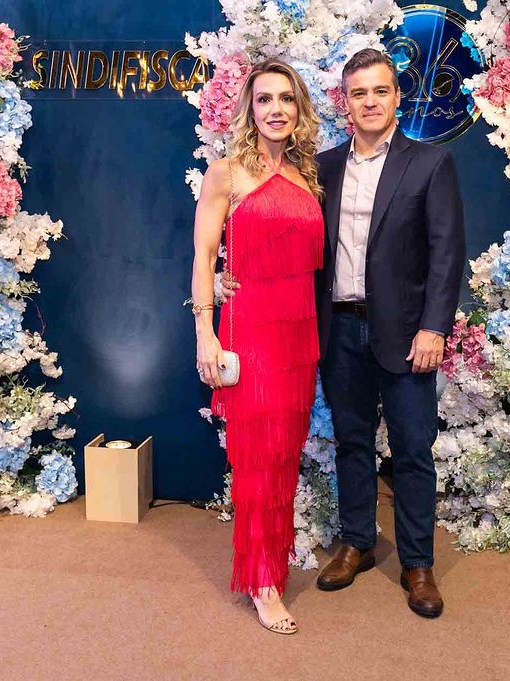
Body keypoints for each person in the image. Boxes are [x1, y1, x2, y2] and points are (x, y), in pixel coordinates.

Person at [312, 48, 465, 618]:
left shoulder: (430, 162)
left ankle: (417, 563)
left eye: (380, 91)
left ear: (398, 97)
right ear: (345, 103)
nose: (370, 102)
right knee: (351, 442)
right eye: (359, 93)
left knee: (412, 451)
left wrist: (434, 327)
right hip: (339, 328)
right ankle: (357, 542)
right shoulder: (324, 167)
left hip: (405, 334)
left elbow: (447, 252)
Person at [190, 58, 324, 635]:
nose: (276, 109)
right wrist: (206, 332)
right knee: (258, 459)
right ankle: (262, 580)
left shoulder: (307, 176)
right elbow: (203, 260)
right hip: (250, 334)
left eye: (286, 99)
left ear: (299, 109)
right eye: (265, 99)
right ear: (250, 109)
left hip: (300, 337)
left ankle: (270, 564)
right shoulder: (226, 173)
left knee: (284, 456)